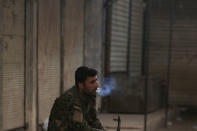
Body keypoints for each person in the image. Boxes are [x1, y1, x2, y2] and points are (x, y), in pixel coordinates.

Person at [48, 66, 105, 131]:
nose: (96, 85)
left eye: (96, 81)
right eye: (92, 82)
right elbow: (81, 128)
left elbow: (93, 120)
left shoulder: (89, 95)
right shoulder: (69, 100)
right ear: (80, 85)